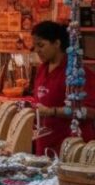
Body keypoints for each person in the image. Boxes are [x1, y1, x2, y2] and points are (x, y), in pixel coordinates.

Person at [30, 21, 95, 155]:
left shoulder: (77, 73)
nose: (37, 50)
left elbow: (90, 112)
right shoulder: (42, 70)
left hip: (70, 151)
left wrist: (53, 111)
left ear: (57, 44)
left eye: (41, 45)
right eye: (35, 46)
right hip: (44, 147)